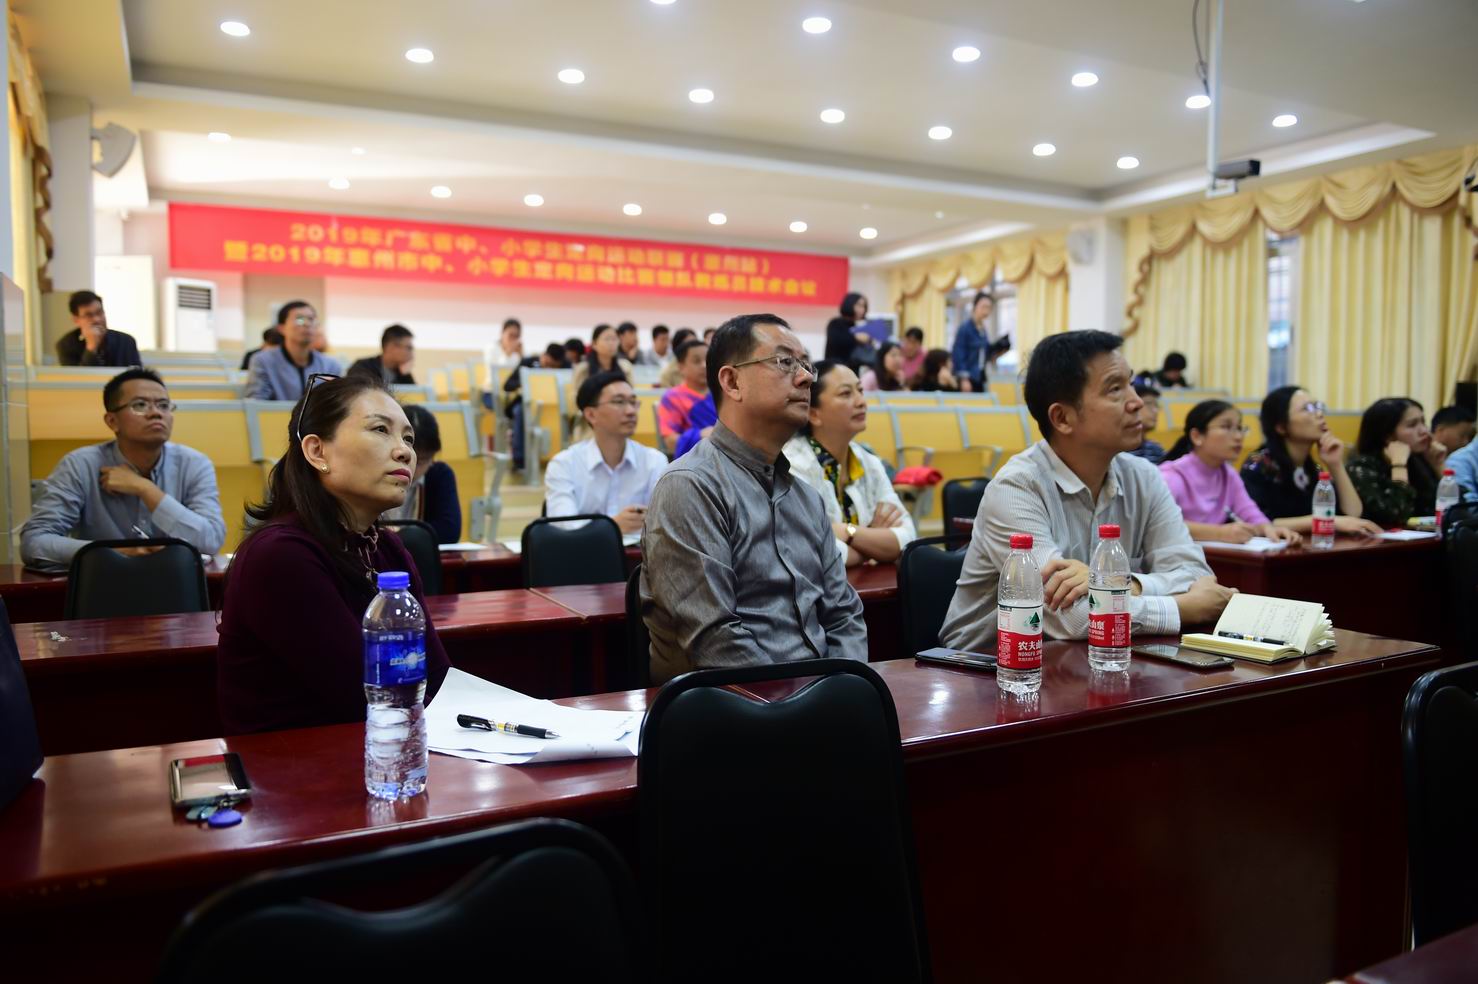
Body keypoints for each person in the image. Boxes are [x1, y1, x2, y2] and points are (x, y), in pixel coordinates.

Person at [939, 330, 1232, 653]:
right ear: (1062, 417)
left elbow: (1195, 574)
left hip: (1094, 659)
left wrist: (1124, 583)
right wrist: (1184, 608)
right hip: (985, 667)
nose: (1136, 402)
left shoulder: (1144, 478)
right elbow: (1073, 617)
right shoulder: (1016, 487)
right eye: (1115, 389)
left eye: (1131, 383)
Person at [640, 313, 867, 684]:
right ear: (732, 382)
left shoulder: (806, 498)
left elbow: (844, 615)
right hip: (732, 706)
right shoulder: (691, 486)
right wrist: (805, 702)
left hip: (823, 697)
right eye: (785, 362)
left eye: (805, 364)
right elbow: (715, 640)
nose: (806, 377)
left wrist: (846, 687)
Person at [216, 374, 450, 734]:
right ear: (317, 451)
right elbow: (362, 694)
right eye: (380, 430)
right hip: (294, 761)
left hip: (382, 745)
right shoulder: (280, 556)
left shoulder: (387, 548)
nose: (404, 451)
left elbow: (436, 676)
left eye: (408, 438)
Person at [20, 368, 225, 572]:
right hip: (103, 583)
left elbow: (212, 540)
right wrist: (112, 553)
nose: (156, 413)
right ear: (112, 421)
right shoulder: (80, 465)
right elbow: (34, 541)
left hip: (176, 583)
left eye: (164, 405)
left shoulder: (194, 464)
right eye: (140, 405)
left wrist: (145, 489)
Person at [783, 361, 916, 567]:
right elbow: (814, 552)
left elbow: (907, 538)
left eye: (860, 391)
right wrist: (873, 542)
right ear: (813, 414)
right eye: (846, 394)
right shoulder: (793, 466)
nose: (861, 402)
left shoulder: (869, 461)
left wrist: (848, 532)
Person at [1240, 386, 1379, 537]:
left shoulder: (1313, 468)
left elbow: (1353, 514)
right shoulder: (1258, 464)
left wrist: (1335, 464)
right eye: (1307, 409)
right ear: (1281, 427)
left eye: (1318, 406)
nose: (1319, 414)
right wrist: (1322, 521)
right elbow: (1257, 521)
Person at [1157, 401, 1301, 546]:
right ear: (1197, 436)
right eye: (1226, 427)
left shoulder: (1228, 474)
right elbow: (1161, 523)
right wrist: (1220, 533)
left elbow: (1250, 513)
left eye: (1239, 428)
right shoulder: (1171, 476)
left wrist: (1268, 529)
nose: (1238, 436)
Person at [545, 371, 668, 534]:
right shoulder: (564, 464)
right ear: (591, 415)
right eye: (619, 402)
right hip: (583, 550)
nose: (631, 411)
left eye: (633, 402)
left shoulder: (654, 461)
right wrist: (612, 527)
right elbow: (562, 527)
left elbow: (664, 524)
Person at [1346, 398, 1446, 528]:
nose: (1424, 431)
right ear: (1387, 436)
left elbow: (1457, 510)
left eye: (1423, 422)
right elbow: (1397, 516)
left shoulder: (1419, 458)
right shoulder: (1361, 467)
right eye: (1412, 425)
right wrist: (1398, 465)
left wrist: (1438, 465)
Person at [382, 404, 461, 543]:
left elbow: (449, 531)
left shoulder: (439, 474)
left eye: (421, 461)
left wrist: (396, 536)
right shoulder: (376, 473)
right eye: (404, 458)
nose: (411, 466)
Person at [245, 300, 343, 401]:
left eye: (311, 319)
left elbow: (334, 404)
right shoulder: (263, 361)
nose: (307, 324)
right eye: (299, 319)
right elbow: (256, 404)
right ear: (281, 328)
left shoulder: (330, 365)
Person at [55, 290, 141, 368]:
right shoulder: (65, 345)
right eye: (88, 315)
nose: (97, 319)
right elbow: (77, 378)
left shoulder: (126, 341)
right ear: (76, 320)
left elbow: (138, 375)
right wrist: (91, 347)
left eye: (99, 312)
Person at [657, 339, 710, 444]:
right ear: (681, 367)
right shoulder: (672, 398)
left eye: (708, 360)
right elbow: (670, 442)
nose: (704, 365)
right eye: (697, 361)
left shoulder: (723, 393)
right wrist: (700, 436)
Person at [950, 291, 1002, 393]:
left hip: (980, 376)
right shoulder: (965, 328)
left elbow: (984, 352)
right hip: (969, 377)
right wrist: (964, 379)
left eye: (989, 308)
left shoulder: (983, 330)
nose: (986, 311)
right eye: (984, 307)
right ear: (975, 306)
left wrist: (996, 352)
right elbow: (958, 354)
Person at [348, 324, 416, 386]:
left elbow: (412, 394)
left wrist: (405, 375)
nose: (412, 353)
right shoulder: (362, 367)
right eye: (409, 348)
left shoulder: (402, 372)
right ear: (391, 347)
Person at [824, 292, 874, 363]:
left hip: (855, 366)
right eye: (859, 305)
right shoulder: (836, 323)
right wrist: (855, 337)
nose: (862, 309)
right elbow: (836, 341)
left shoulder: (861, 324)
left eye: (864, 306)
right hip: (836, 365)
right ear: (849, 304)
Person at [1128, 383, 1165, 463]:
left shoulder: (1156, 450)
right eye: (1148, 404)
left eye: (1156, 405)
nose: (1155, 411)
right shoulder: (1116, 452)